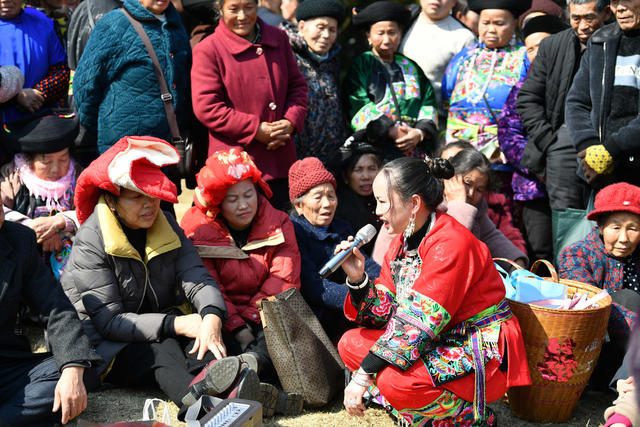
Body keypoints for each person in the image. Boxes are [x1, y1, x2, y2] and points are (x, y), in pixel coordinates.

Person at [60, 136, 249, 418]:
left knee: (208, 338)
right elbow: (110, 321)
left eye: (153, 195)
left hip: (156, 323)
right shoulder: (91, 239)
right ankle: (201, 410)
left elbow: (196, 276)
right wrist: (177, 323)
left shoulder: (166, 223)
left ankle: (238, 392)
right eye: (137, 196)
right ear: (112, 200)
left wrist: (210, 316)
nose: (149, 204)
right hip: (103, 344)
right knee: (162, 350)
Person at [336, 157, 530, 425]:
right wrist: (358, 279)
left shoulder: (450, 242)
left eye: (382, 201)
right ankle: (417, 410)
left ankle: (472, 418)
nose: (377, 211)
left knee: (394, 380)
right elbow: (385, 313)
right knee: (350, 343)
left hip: (478, 345)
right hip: (433, 338)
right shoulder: (402, 242)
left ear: (414, 203)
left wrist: (362, 376)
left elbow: (418, 321)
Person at [179, 149, 305, 416]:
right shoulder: (198, 230)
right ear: (216, 203)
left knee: (277, 341)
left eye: (249, 195)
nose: (244, 204)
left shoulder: (279, 223)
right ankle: (257, 390)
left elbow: (283, 279)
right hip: (221, 318)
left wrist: (250, 320)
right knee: (205, 350)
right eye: (233, 199)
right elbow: (207, 287)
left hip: (267, 315)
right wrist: (236, 326)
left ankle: (249, 370)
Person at [191, 0, 308, 211]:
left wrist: (290, 122)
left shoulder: (279, 39)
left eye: (249, 7)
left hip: (281, 159)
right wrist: (255, 130)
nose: (243, 16)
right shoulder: (209, 49)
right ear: (220, 9)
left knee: (285, 235)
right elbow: (207, 106)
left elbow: (297, 87)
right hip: (235, 167)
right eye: (234, 9)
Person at [0, 206, 102, 425]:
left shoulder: (18, 240)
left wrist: (73, 367)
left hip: (7, 365)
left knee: (82, 372)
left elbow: (54, 306)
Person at [517, 0, 610, 213]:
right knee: (566, 218)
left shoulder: (619, 42)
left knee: (611, 216)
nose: (583, 26)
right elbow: (527, 98)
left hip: (608, 140)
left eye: (589, 17)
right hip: (561, 141)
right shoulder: (552, 46)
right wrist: (549, 140)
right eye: (576, 18)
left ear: (605, 13)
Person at [73, 0, 190, 154]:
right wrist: (106, 127)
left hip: (166, 143)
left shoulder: (175, 23)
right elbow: (85, 86)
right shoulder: (114, 24)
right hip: (124, 146)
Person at [497, 15, 568, 261]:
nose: (537, 53)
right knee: (540, 253)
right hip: (533, 186)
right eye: (530, 48)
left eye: (544, 45)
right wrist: (539, 167)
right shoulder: (521, 88)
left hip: (571, 182)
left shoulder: (576, 81)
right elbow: (508, 133)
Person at [288, 157, 380, 341]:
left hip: (349, 310)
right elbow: (312, 286)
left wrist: (385, 286)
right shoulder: (293, 231)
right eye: (318, 197)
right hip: (316, 321)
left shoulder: (341, 227)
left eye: (331, 195)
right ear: (299, 205)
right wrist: (358, 298)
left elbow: (366, 263)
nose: (327, 203)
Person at [559, 182, 640, 386]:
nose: (624, 238)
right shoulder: (576, 254)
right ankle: (627, 390)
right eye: (616, 227)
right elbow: (590, 305)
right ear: (601, 227)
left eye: (633, 229)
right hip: (591, 356)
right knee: (628, 298)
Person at [343, 1, 439, 162]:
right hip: (377, 146)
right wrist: (389, 129)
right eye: (380, 33)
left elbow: (428, 100)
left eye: (392, 32)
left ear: (400, 34)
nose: (387, 39)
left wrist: (419, 132)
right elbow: (356, 101)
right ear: (368, 35)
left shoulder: (410, 66)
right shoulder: (362, 64)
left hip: (413, 144)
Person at [441, 0, 530, 160]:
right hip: (460, 145)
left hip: (503, 150)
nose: (491, 29)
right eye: (485, 23)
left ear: (515, 23)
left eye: (499, 23)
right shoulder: (464, 57)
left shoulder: (524, 57)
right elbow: (446, 94)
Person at [566, 0, 640, 187]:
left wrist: (612, 149)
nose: (620, 8)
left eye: (628, 1)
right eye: (615, 2)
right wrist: (590, 149)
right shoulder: (601, 40)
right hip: (602, 171)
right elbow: (577, 102)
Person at [0, 113, 81, 277]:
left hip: (69, 265)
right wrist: (32, 229)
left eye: (63, 159)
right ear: (30, 159)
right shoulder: (13, 176)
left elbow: (91, 214)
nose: (55, 169)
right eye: (46, 161)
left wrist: (59, 223)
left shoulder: (79, 176)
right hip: (20, 259)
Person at [280, 0, 348, 161]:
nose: (326, 35)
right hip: (295, 158)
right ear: (302, 27)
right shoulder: (284, 54)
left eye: (332, 30)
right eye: (321, 27)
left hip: (332, 158)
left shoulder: (332, 60)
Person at [444, 148, 529, 265]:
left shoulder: (478, 207)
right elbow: (451, 246)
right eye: (467, 184)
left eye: (479, 190)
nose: (471, 194)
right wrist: (459, 205)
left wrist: (516, 264)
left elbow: (491, 236)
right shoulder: (434, 204)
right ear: (451, 178)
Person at [0, 0, 69, 124]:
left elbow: (61, 70)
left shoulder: (43, 24)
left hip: (40, 124)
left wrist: (40, 92)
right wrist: (16, 97)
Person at [400, 0, 476, 110]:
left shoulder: (465, 38)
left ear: (454, 2)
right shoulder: (401, 26)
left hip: (439, 119)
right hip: (398, 116)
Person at [332, 133, 384, 256]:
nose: (366, 176)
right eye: (358, 170)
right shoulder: (340, 208)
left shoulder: (388, 201)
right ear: (346, 176)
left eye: (371, 168)